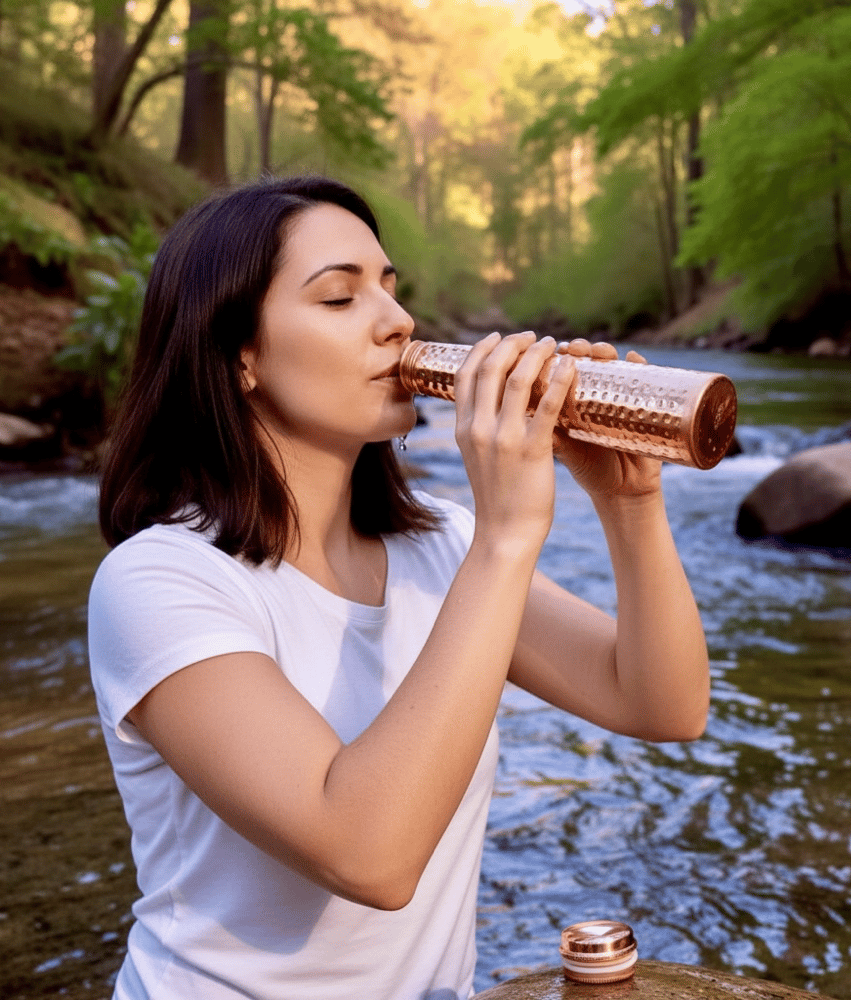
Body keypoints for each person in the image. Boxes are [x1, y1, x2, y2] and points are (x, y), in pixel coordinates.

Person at [87, 174, 710, 1000]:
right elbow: (369, 856)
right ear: (240, 356)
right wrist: (506, 537)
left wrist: (629, 503)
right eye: (340, 298)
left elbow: (662, 705)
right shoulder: (159, 582)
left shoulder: (438, 545)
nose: (398, 320)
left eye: (390, 287)